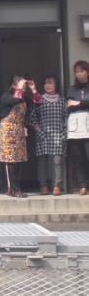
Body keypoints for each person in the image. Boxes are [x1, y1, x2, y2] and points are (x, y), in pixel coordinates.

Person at [0, 74, 41, 198]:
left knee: (19, 160)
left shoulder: (23, 98)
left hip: (19, 131)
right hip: (8, 131)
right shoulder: (6, 96)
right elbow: (15, 99)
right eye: (21, 84)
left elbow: (38, 103)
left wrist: (33, 90)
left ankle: (16, 188)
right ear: (13, 85)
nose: (23, 88)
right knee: (10, 160)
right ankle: (13, 189)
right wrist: (20, 88)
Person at [30, 74, 67, 196]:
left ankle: (57, 186)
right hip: (43, 134)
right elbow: (32, 117)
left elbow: (67, 117)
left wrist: (65, 130)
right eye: (46, 83)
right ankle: (44, 186)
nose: (48, 85)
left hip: (58, 134)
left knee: (58, 161)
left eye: (50, 83)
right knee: (43, 162)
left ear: (56, 85)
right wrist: (37, 128)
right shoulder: (39, 100)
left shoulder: (62, 101)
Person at [67, 60, 89, 195]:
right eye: (77, 72)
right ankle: (83, 185)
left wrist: (79, 103)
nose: (79, 74)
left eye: (82, 71)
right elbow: (69, 104)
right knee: (78, 158)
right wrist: (83, 104)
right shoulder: (72, 88)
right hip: (75, 125)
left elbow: (76, 103)